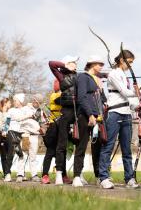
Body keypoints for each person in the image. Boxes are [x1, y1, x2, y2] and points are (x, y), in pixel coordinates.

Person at [98, 49, 141, 189]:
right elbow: (124, 92)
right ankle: (103, 177)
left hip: (126, 113)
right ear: (122, 60)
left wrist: (136, 106)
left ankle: (129, 178)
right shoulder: (113, 74)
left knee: (126, 148)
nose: (130, 65)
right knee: (108, 146)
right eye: (129, 62)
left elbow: (128, 98)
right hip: (114, 114)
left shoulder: (124, 76)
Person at [72, 55, 106, 187]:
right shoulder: (82, 77)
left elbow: (98, 99)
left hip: (97, 117)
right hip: (86, 117)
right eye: (99, 64)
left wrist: (99, 114)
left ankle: (98, 176)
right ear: (92, 64)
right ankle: (76, 176)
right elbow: (81, 97)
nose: (101, 67)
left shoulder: (94, 80)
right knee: (81, 146)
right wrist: (90, 114)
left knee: (97, 147)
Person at [49, 56, 79, 186]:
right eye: (73, 62)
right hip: (66, 112)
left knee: (79, 143)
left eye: (75, 63)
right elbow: (51, 63)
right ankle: (59, 174)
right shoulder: (61, 76)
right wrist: (66, 65)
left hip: (78, 112)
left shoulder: (79, 76)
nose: (75, 64)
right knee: (61, 144)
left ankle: (79, 175)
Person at [41, 79, 72, 185]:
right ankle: (45, 175)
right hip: (54, 125)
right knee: (50, 151)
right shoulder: (55, 95)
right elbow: (61, 100)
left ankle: (63, 175)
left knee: (62, 150)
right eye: (55, 83)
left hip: (63, 124)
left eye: (57, 83)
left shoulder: (64, 94)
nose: (56, 85)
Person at [4, 93, 32, 182]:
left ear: (20, 101)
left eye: (15, 100)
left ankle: (21, 173)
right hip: (11, 132)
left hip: (20, 134)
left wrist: (29, 108)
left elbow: (32, 113)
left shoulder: (25, 109)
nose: (14, 102)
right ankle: (7, 174)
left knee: (20, 154)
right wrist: (5, 130)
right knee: (10, 153)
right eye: (14, 100)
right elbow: (8, 121)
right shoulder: (11, 110)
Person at [18, 93, 45, 182]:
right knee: (23, 155)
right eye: (34, 99)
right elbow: (19, 118)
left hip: (35, 136)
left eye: (37, 101)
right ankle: (20, 175)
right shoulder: (25, 108)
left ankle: (34, 175)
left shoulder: (40, 111)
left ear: (40, 103)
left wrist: (43, 129)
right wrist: (29, 116)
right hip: (25, 134)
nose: (35, 101)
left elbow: (42, 123)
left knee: (33, 156)